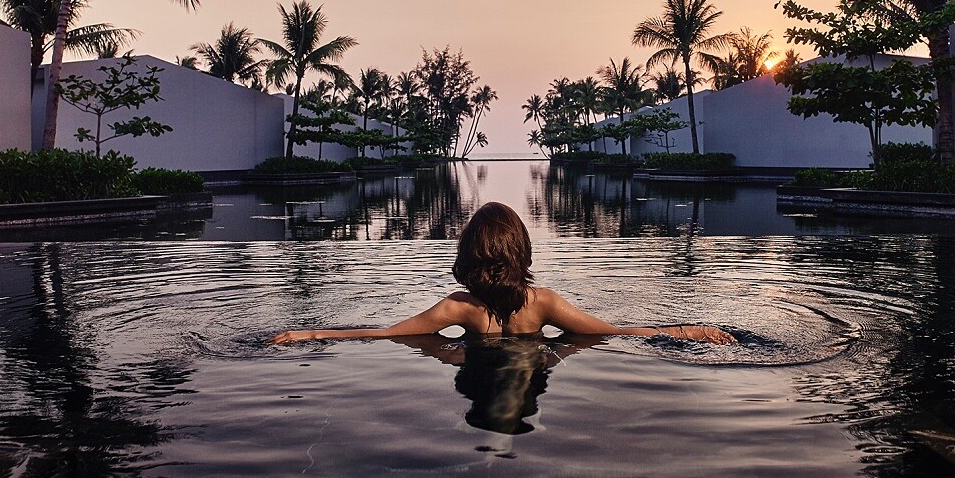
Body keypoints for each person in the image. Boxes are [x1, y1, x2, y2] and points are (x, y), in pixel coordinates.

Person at [270, 201, 735, 344]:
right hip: (534, 358)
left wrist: (310, 335)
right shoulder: (543, 304)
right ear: (521, 251)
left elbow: (386, 333)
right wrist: (684, 329)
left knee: (451, 356)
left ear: (469, 255)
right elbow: (613, 333)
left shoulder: (463, 309)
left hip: (475, 364)